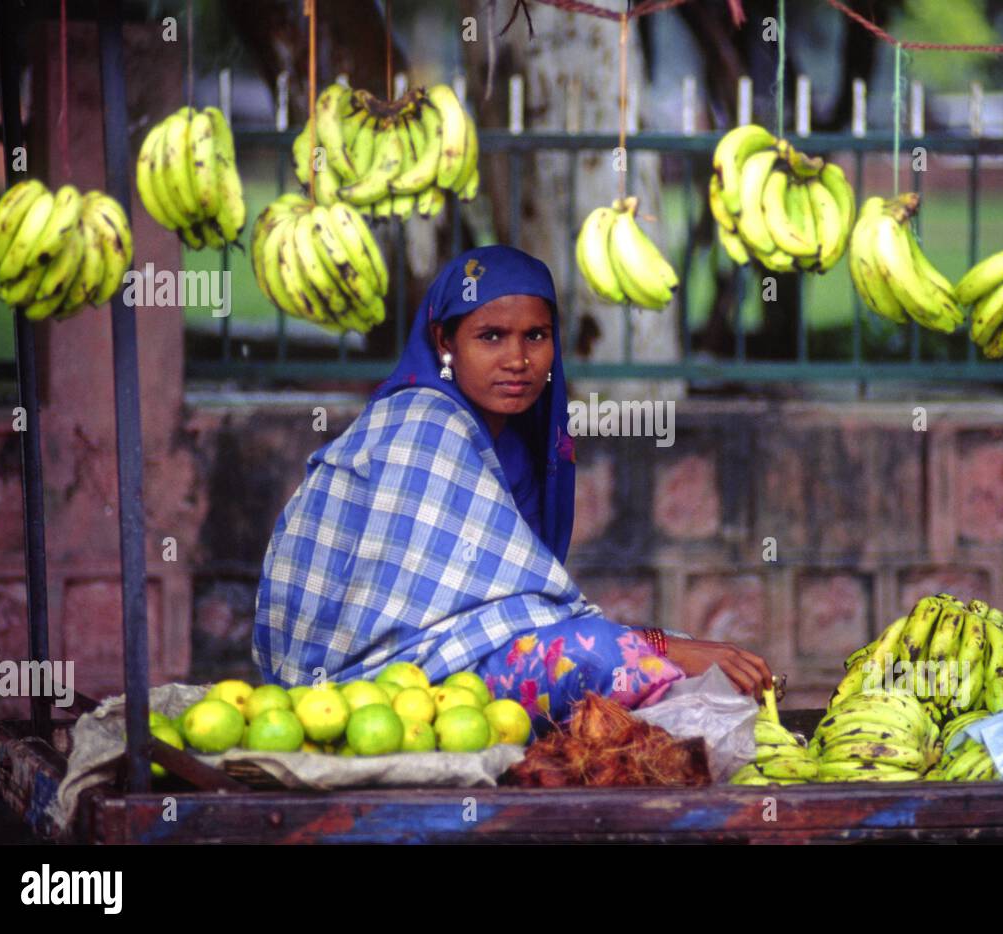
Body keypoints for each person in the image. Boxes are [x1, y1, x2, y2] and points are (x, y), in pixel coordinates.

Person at [253, 245, 772, 725]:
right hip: (371, 682)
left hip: (457, 662)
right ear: (444, 341)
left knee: (666, 654)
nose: (518, 360)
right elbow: (427, 620)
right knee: (605, 656)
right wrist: (652, 646)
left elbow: (505, 612)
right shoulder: (425, 421)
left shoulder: (518, 444)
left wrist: (659, 644)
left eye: (536, 336)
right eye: (491, 336)